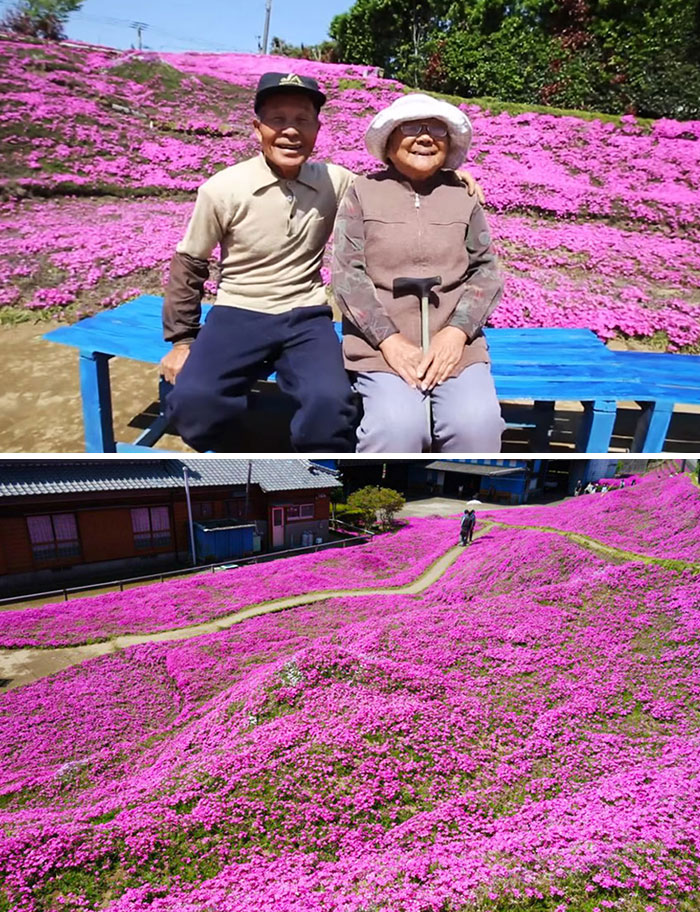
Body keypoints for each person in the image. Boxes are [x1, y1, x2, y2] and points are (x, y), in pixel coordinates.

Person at [161, 74, 482, 453]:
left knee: (330, 405)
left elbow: (392, 186)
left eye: (302, 120)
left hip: (306, 316)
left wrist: (445, 176)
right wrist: (182, 341)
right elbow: (190, 263)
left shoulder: (337, 181)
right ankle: (248, 447)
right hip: (239, 311)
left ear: (317, 128)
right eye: (277, 120)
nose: (290, 131)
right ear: (257, 127)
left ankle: (306, 463)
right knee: (194, 401)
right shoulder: (222, 189)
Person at [331, 93, 505, 453]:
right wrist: (390, 341)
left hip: (456, 344)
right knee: (397, 430)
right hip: (381, 345)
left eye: (436, 129)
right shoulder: (361, 194)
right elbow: (348, 275)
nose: (425, 137)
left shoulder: (463, 196)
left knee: (477, 427)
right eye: (411, 127)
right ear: (390, 141)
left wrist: (456, 334)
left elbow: (486, 271)